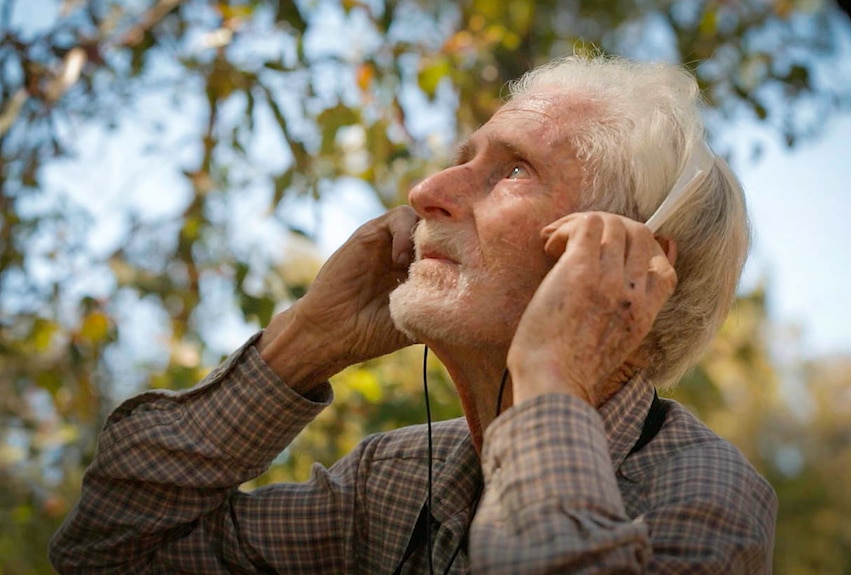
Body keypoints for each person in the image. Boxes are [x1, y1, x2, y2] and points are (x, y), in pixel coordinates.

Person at [50, 54, 777, 574]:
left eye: (513, 169)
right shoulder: (390, 478)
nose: (427, 187)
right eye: (464, 157)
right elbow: (110, 548)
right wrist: (305, 340)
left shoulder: (703, 495)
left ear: (629, 263)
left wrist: (549, 372)